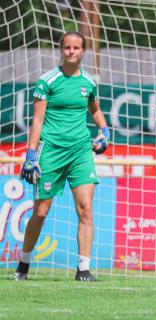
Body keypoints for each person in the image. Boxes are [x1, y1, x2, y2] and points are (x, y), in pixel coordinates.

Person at [14, 31, 110, 282]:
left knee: (86, 209)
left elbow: (96, 110)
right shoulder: (47, 81)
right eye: (66, 47)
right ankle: (23, 264)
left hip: (80, 151)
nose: (71, 52)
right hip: (51, 151)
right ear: (61, 49)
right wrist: (31, 154)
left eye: (76, 48)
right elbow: (37, 119)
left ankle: (83, 270)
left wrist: (105, 132)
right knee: (42, 212)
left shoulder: (89, 82)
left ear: (83, 51)